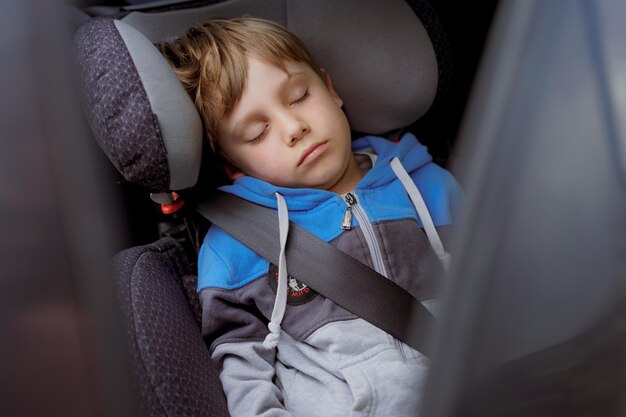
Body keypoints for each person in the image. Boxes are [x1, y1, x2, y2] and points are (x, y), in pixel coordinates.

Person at [158, 17, 461, 417]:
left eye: (299, 95)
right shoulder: (235, 246)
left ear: (329, 88)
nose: (294, 127)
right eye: (256, 133)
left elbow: (504, 290)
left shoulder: (430, 186)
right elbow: (242, 366)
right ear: (233, 166)